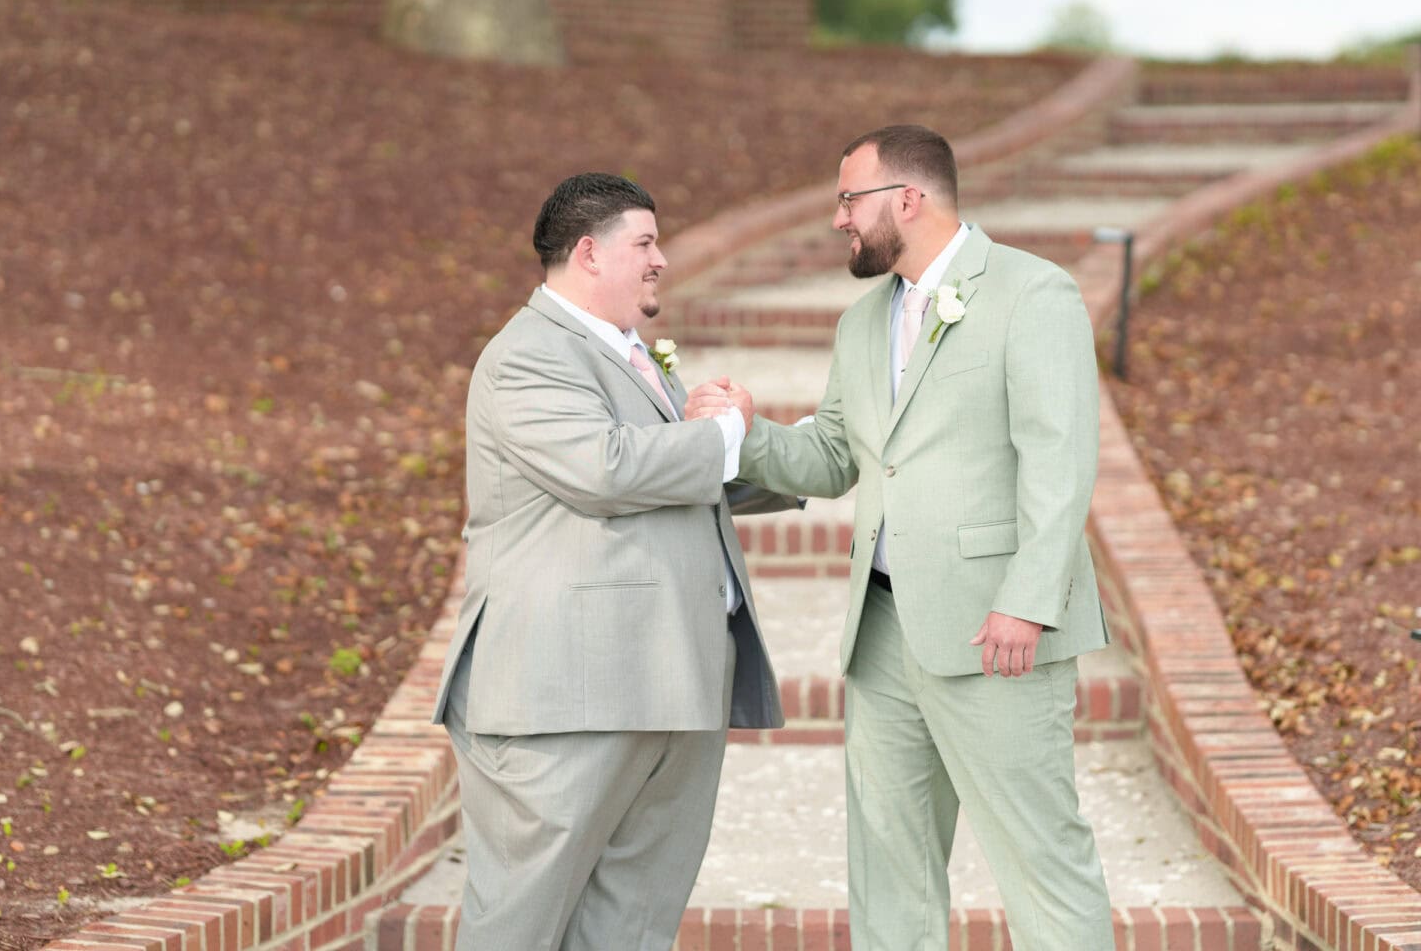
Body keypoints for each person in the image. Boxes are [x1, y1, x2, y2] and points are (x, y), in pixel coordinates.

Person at [732, 125, 1115, 950]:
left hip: (997, 632)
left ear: (910, 198)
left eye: (849, 199)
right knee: (889, 874)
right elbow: (836, 457)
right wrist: (745, 434)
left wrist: (1028, 601)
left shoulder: (1032, 293)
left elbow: (1060, 459)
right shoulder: (863, 323)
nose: (838, 219)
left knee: (1042, 860)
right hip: (880, 634)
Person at [429, 172, 794, 951]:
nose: (661, 258)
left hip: (668, 682)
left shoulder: (627, 354)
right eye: (646, 242)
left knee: (630, 925)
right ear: (589, 253)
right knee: (518, 926)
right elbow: (606, 470)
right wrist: (720, 436)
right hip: (564, 696)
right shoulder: (525, 356)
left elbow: (678, 476)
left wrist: (804, 457)